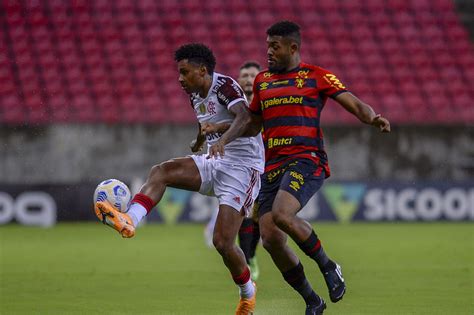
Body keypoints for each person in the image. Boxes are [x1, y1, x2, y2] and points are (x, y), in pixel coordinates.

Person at [208, 21, 391, 315]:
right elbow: (252, 124)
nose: (268, 52)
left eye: (274, 46)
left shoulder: (316, 76)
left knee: (281, 215)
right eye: (267, 45)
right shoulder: (262, 82)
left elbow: (353, 103)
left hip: (306, 159)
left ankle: (329, 266)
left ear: (293, 48)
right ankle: (312, 300)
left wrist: (373, 118)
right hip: (273, 165)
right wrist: (221, 128)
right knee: (270, 239)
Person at [94, 43, 264, 315]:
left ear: (203, 70)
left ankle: (248, 293)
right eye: (179, 73)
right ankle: (130, 219)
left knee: (222, 243)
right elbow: (203, 122)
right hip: (214, 159)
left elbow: (245, 119)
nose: (180, 79)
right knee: (161, 171)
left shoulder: (226, 86)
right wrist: (199, 141)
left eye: (185, 72)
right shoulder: (195, 94)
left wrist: (222, 139)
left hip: (243, 168)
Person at [199, 61, 262, 281]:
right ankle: (248, 257)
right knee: (246, 212)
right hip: (241, 165)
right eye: (243, 74)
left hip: (267, 162)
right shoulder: (234, 101)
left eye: (252, 75)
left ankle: (250, 254)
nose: (247, 79)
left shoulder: (264, 103)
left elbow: (253, 125)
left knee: (260, 217)